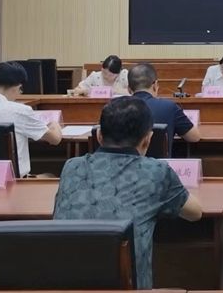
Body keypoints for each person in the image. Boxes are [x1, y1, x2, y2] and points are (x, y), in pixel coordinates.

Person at [54, 97, 202, 289]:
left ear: (99, 135)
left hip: (65, 287)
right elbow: (195, 213)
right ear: (148, 139)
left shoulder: (71, 167)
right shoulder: (156, 171)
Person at [128, 63, 201, 155]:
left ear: (129, 88)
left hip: (123, 163)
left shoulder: (116, 107)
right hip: (160, 163)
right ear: (155, 85)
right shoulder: (169, 106)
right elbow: (194, 137)